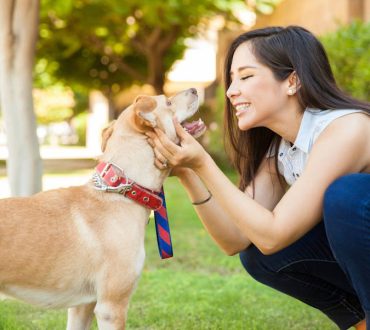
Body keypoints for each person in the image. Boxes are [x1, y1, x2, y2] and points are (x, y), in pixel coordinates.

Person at [145, 26, 370, 330]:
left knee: (346, 196)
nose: (231, 91)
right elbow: (236, 239)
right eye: (232, 78)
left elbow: (272, 233)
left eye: (246, 76)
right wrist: (189, 170)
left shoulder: (347, 129)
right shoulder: (282, 148)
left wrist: (204, 162)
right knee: (261, 257)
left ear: (292, 81)